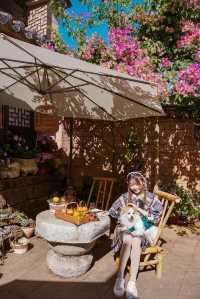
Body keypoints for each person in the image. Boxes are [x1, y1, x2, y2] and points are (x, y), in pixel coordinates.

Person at [109, 171, 163, 299]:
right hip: (126, 228)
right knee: (128, 239)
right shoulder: (125, 197)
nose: (135, 188)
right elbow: (112, 210)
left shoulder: (151, 198)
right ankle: (120, 278)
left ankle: (132, 282)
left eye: (138, 184)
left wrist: (138, 210)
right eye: (132, 185)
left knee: (136, 240)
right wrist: (123, 216)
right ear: (129, 185)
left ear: (143, 183)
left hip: (143, 230)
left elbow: (155, 219)